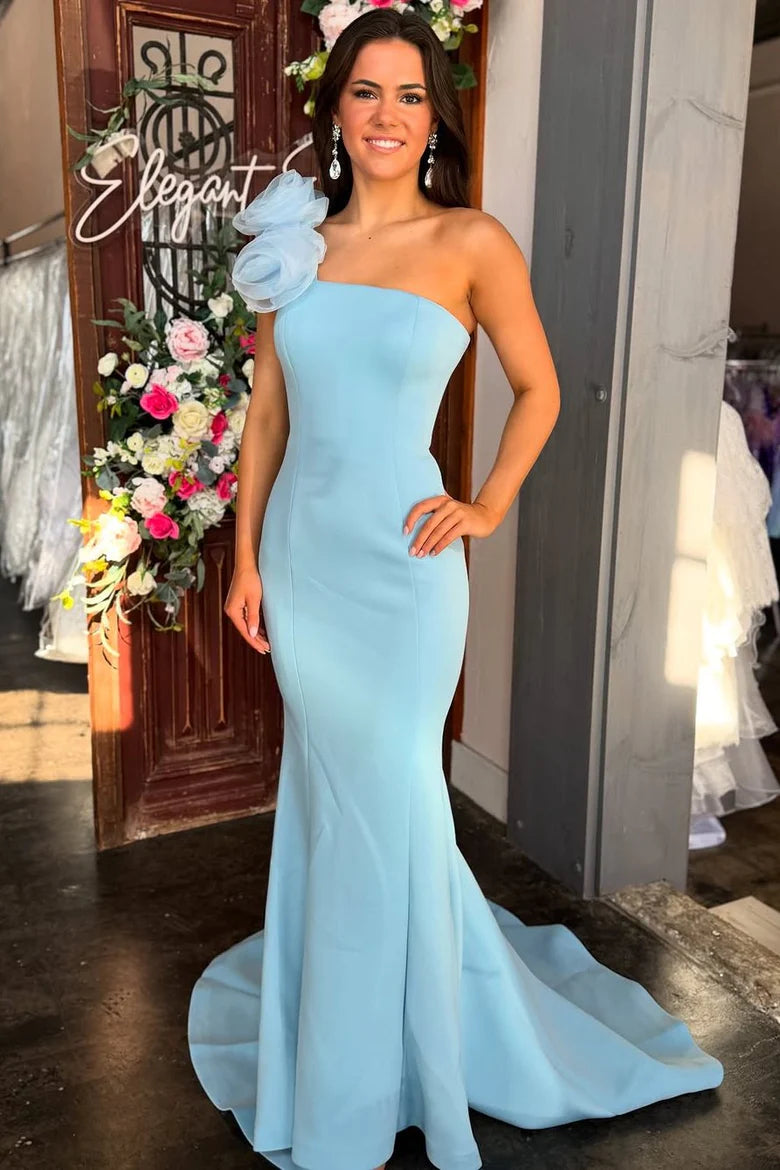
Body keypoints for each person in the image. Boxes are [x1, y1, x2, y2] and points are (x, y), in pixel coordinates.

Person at [187, 10, 724, 1170]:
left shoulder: (473, 240)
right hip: (307, 566)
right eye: (365, 92)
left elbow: (540, 387)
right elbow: (267, 416)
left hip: (409, 572)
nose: (386, 115)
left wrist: (484, 505)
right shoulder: (295, 245)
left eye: (410, 95)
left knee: (389, 797)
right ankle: (348, 1061)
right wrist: (245, 559)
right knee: (341, 803)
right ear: (335, 111)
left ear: (436, 116)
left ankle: (399, 1059)